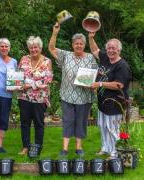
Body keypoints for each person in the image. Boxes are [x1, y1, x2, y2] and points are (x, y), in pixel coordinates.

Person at [48, 22, 98, 157]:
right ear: (72, 45)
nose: (79, 45)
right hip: (67, 95)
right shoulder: (66, 55)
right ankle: (64, 149)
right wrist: (55, 33)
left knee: (81, 122)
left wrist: (91, 83)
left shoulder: (90, 57)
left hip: (84, 96)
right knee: (68, 120)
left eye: (81, 43)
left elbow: (94, 74)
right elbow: (51, 48)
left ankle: (78, 147)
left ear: (84, 45)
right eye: (76, 43)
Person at [89, 32, 131, 159]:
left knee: (112, 128)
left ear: (119, 50)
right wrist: (91, 37)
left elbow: (119, 85)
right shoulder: (106, 58)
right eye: (109, 48)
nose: (111, 50)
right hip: (103, 102)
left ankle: (115, 152)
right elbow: (95, 50)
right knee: (103, 126)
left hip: (115, 103)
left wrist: (100, 83)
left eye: (114, 48)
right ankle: (106, 148)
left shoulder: (122, 66)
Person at [17, 36, 53, 155]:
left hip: (40, 98)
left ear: (40, 48)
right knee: (25, 123)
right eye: (31, 47)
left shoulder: (47, 61)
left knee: (39, 123)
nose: (33, 50)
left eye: (35, 47)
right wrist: (17, 85)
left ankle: (37, 147)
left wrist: (30, 85)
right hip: (24, 97)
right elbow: (17, 76)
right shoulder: (24, 59)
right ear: (29, 48)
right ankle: (25, 147)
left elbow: (47, 80)